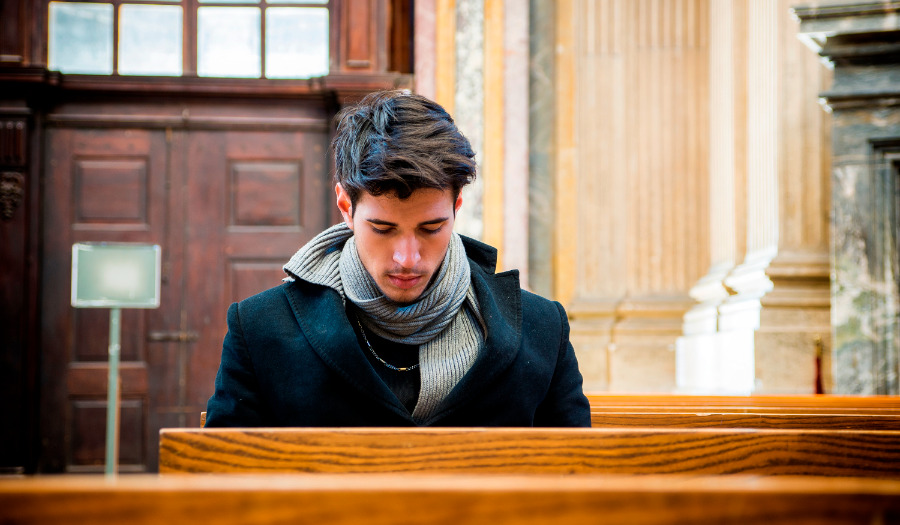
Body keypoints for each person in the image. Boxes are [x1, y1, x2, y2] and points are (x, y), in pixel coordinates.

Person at [205, 90, 591, 427]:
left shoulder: (544, 329)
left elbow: (580, 488)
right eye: (383, 229)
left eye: (431, 228)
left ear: (457, 207)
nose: (407, 258)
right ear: (345, 206)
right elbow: (222, 490)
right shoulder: (259, 329)